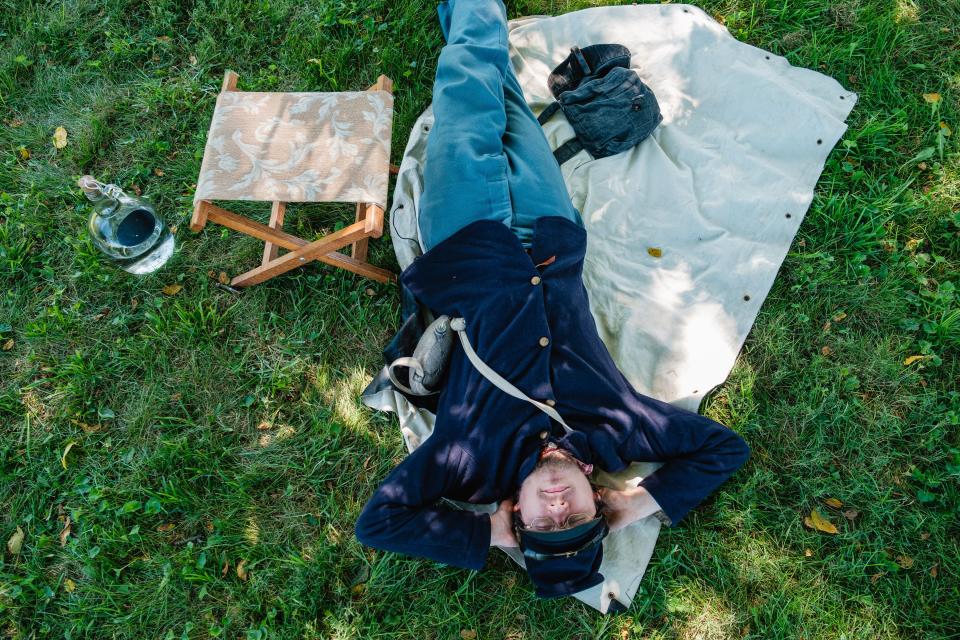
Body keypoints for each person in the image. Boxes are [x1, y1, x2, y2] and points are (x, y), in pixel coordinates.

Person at [355, 0, 750, 599]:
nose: (559, 508)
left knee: (467, 78)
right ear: (598, 498)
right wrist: (639, 504)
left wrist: (488, 532)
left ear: (518, 514)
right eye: (578, 519)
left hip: (467, 235)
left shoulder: (469, 460)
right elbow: (724, 447)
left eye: (545, 524)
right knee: (505, 94)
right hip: (548, 232)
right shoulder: (621, 431)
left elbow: (379, 523)